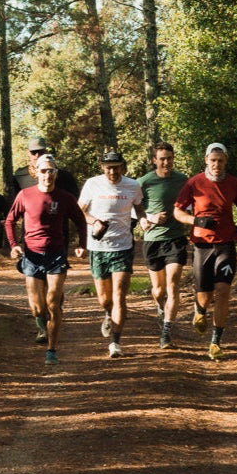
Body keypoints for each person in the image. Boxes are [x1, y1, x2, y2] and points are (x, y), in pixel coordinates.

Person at [4, 154, 87, 366]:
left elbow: (80, 221)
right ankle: (43, 321)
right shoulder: (25, 195)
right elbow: (10, 221)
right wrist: (14, 245)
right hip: (31, 256)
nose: (47, 175)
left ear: (56, 174)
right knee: (37, 308)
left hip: (56, 254)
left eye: (51, 171)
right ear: (36, 173)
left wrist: (81, 245)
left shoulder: (65, 197)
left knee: (52, 302)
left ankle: (52, 349)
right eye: (43, 171)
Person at [174, 141, 237, 360]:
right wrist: (196, 220)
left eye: (220, 160)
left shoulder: (234, 183)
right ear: (206, 160)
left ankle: (216, 341)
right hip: (202, 245)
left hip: (226, 243)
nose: (216, 164)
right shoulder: (194, 183)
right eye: (213, 160)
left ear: (226, 161)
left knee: (223, 290)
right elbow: (177, 212)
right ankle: (199, 312)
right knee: (205, 296)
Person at [77, 148, 145, 359]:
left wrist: (143, 219)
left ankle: (115, 343)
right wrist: (94, 221)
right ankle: (107, 314)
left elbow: (139, 208)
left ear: (122, 167)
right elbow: (79, 210)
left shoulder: (133, 186)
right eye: (108, 168)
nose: (112, 172)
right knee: (104, 299)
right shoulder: (92, 184)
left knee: (119, 296)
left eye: (116, 168)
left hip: (122, 248)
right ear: (102, 168)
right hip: (98, 248)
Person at [139, 141, 189, 350]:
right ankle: (161, 307)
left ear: (173, 158)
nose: (166, 162)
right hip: (153, 240)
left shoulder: (183, 180)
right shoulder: (144, 181)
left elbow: (193, 203)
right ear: (154, 160)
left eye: (169, 158)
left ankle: (166, 332)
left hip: (176, 238)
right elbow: (133, 207)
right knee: (159, 291)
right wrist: (148, 217)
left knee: (173, 285)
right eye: (162, 159)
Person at [7, 134, 80, 201]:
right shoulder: (19, 176)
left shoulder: (64, 176)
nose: (37, 155)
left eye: (40, 152)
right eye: (34, 152)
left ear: (46, 152)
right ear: (28, 153)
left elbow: (75, 201)